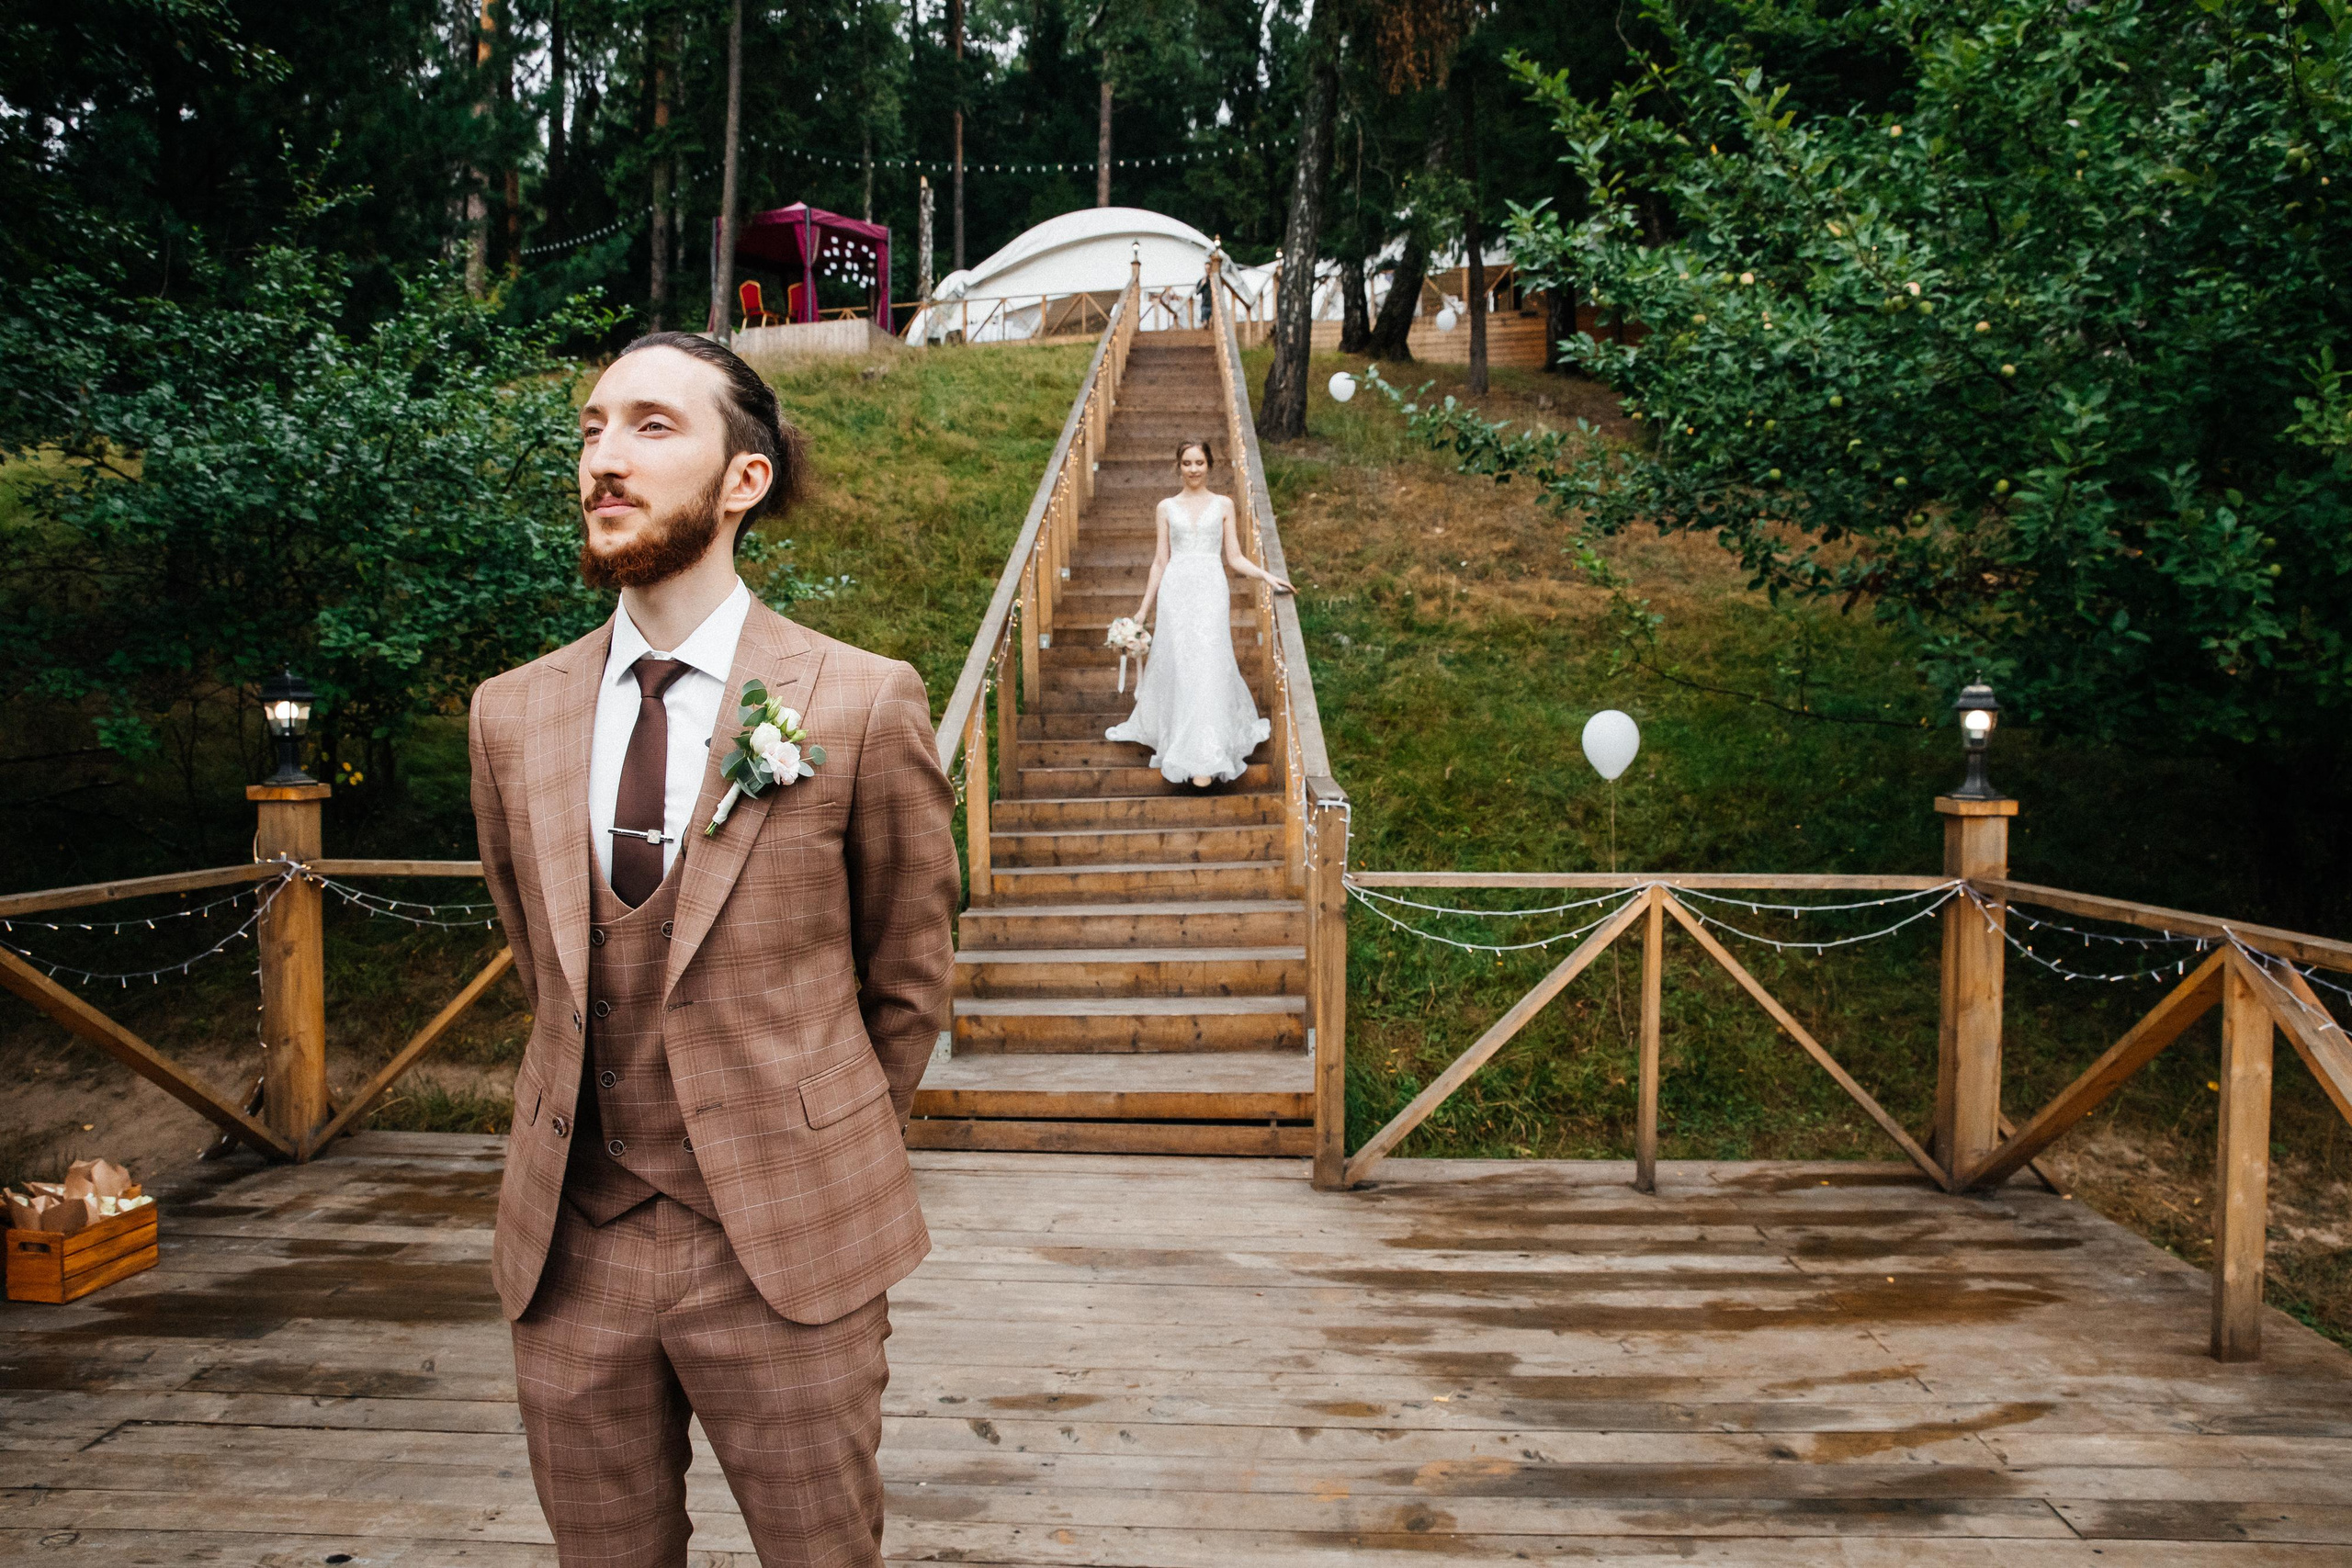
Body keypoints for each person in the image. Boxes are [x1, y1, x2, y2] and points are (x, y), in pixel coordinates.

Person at [468, 331, 958, 1567]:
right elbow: (541, 958)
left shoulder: (860, 698)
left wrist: (812, 1134)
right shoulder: (509, 714)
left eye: (651, 426)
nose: (604, 458)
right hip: (569, 1249)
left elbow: (908, 975)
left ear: (744, 478)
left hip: (788, 1245)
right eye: (591, 428)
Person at [1106, 438, 1294, 787]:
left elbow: (1234, 557)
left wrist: (1266, 576)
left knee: (1208, 662)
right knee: (1181, 663)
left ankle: (1208, 754)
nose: (1193, 469)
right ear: (1178, 466)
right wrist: (1143, 610)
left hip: (1210, 589)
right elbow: (1160, 561)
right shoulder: (1165, 507)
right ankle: (1182, 748)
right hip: (1176, 591)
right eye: (1187, 463)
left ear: (1209, 465)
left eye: (1199, 463)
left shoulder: (1224, 504)